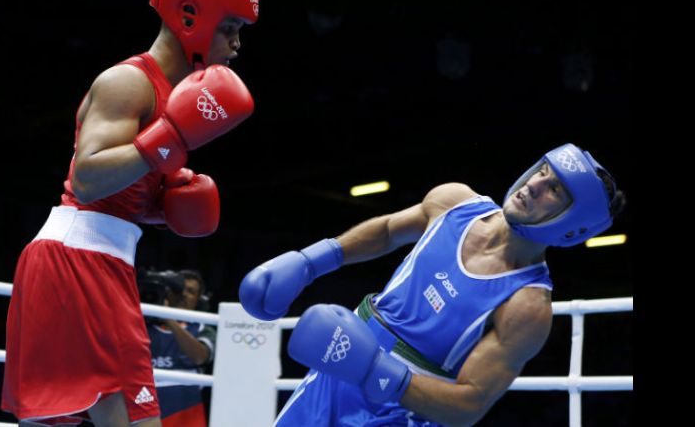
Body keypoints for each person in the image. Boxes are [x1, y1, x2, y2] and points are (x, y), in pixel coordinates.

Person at [1, 0, 259, 427]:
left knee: (58, 420)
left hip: (96, 262)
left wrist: (164, 209)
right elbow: (87, 177)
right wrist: (171, 138)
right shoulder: (129, 82)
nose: (237, 45)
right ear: (189, 18)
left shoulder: (174, 94)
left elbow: (121, 190)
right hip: (77, 263)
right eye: (230, 29)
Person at [239, 143, 626, 426]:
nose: (535, 184)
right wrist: (311, 261)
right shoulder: (455, 202)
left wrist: (376, 370)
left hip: (399, 413)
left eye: (555, 189)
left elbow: (469, 404)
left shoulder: (526, 306)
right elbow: (388, 231)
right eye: (542, 169)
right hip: (337, 366)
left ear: (572, 225)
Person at [139, 270, 216, 427]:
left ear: (198, 299)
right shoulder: (142, 324)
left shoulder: (202, 327)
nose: (183, 295)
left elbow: (200, 357)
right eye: (178, 290)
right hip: (144, 400)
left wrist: (169, 319)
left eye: (191, 291)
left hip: (185, 406)